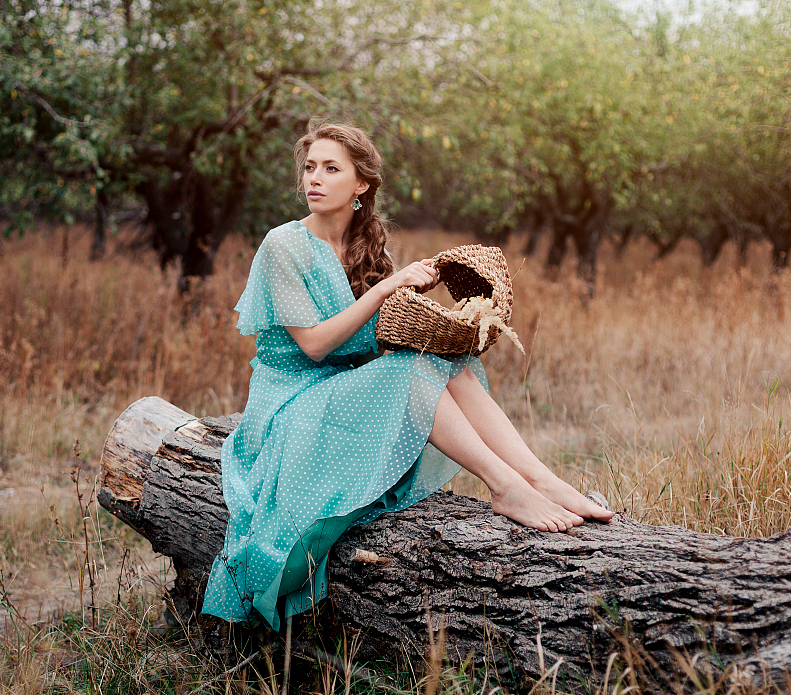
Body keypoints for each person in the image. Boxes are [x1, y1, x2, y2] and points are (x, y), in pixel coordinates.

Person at [201, 121, 613, 632]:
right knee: (413, 368)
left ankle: (538, 478)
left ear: (361, 184)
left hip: (344, 390)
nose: (315, 178)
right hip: (293, 401)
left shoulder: (369, 248)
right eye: (310, 167)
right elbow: (315, 345)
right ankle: (504, 485)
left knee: (450, 363)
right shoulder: (283, 245)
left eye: (331, 168)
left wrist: (439, 317)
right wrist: (385, 289)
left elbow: (387, 340)